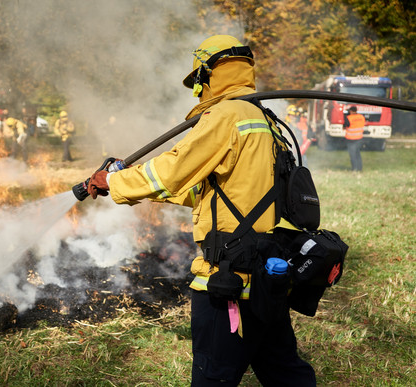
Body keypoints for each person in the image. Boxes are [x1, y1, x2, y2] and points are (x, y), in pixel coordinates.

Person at [86, 35, 316, 386]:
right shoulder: (264, 120)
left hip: (227, 281)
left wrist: (114, 182)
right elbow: (216, 191)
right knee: (286, 373)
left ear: (211, 74)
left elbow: (172, 170)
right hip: (268, 275)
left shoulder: (225, 116)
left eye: (197, 82)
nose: (196, 92)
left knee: (213, 377)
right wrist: (136, 186)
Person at [343, 106, 365, 172]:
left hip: (351, 139)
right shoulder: (361, 117)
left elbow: (345, 126)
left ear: (351, 111)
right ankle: (360, 168)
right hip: (359, 138)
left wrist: (345, 117)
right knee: (357, 154)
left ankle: (354, 169)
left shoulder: (349, 118)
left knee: (352, 155)